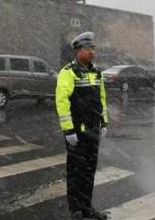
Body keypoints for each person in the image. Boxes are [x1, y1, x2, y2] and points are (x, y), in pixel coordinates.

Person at [55, 32, 108, 220]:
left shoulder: (96, 72)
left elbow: (101, 99)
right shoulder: (68, 72)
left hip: (93, 131)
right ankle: (76, 210)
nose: (92, 52)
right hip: (76, 132)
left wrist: (104, 122)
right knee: (76, 171)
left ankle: (87, 208)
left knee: (89, 172)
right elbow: (62, 102)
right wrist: (68, 129)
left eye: (93, 48)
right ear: (78, 51)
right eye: (88, 49)